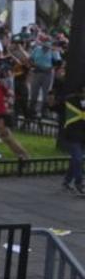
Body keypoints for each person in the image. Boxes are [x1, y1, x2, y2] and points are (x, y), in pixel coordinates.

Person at [49, 66, 84, 195]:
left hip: (83, 134)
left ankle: (67, 182)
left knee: (77, 159)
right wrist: (51, 95)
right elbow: (53, 107)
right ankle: (79, 184)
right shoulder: (69, 100)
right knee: (78, 159)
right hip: (72, 133)